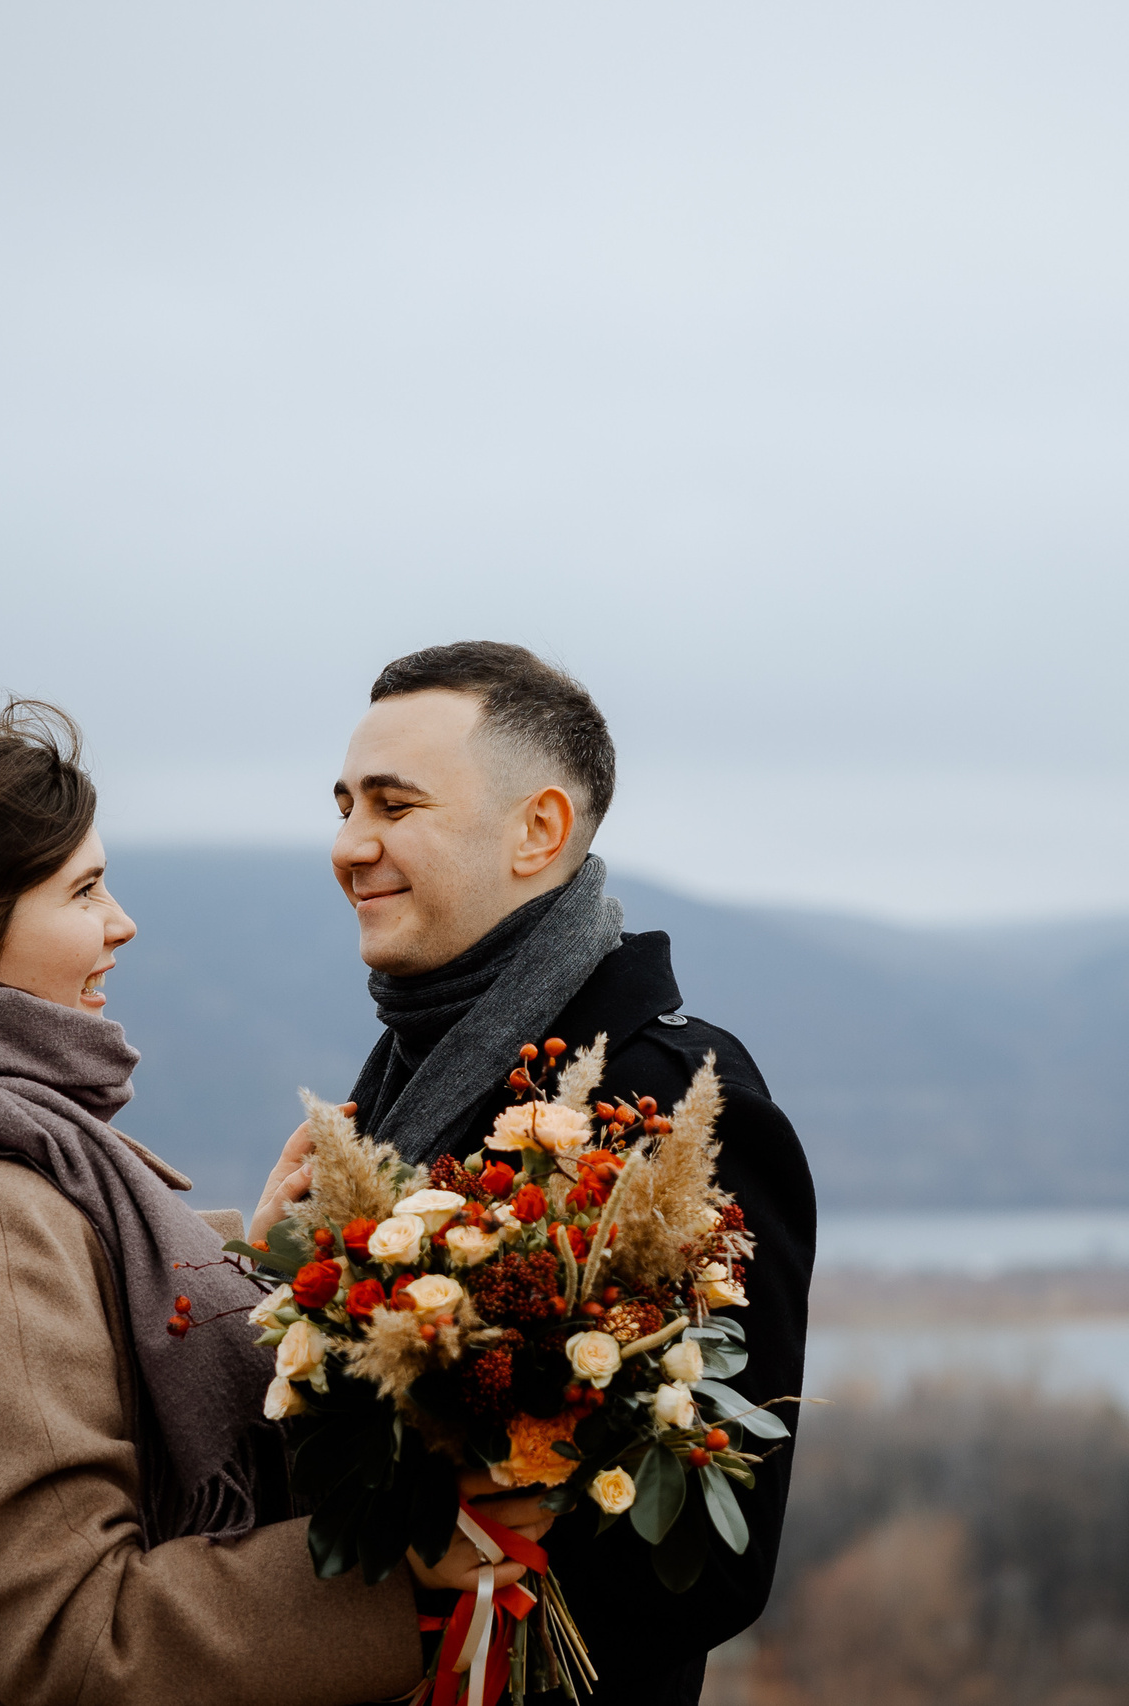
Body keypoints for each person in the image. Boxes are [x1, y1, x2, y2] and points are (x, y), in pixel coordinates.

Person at [0, 701, 547, 1706]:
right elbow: (80, 1637)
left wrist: (255, 1248)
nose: (122, 921)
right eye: (84, 889)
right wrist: (396, 1570)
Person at [310, 643, 817, 1706]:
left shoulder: (668, 1102)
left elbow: (711, 1555)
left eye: (394, 805)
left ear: (537, 830)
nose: (350, 844)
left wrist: (428, 1606)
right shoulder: (406, 1066)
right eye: (346, 802)